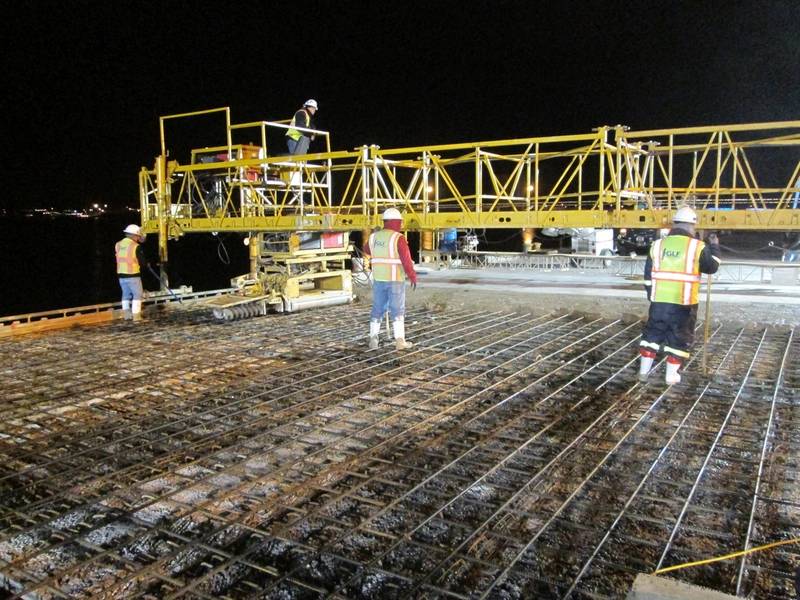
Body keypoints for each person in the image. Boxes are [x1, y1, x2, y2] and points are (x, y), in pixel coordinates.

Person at [639, 207, 721, 384]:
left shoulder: (658, 245)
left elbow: (648, 277)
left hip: (658, 302)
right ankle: (671, 376)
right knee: (678, 338)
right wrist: (714, 246)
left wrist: (652, 296)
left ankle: (643, 372)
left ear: (674, 224)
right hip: (684, 303)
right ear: (692, 226)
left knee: (652, 335)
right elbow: (711, 267)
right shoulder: (697, 246)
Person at [364, 208, 418, 350]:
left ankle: (373, 339)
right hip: (395, 280)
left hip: (378, 280)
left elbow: (366, 250)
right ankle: (400, 341)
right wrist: (412, 276)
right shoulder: (398, 238)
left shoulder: (373, 237)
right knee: (397, 309)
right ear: (397, 222)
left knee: (377, 308)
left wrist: (375, 236)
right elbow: (406, 260)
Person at [115, 224, 147, 321]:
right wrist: (147, 264)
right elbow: (142, 261)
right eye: (138, 236)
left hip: (121, 275)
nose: (138, 238)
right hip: (132, 274)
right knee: (137, 295)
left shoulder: (118, 244)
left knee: (125, 294)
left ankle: (127, 315)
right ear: (134, 235)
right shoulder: (135, 246)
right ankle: (137, 317)